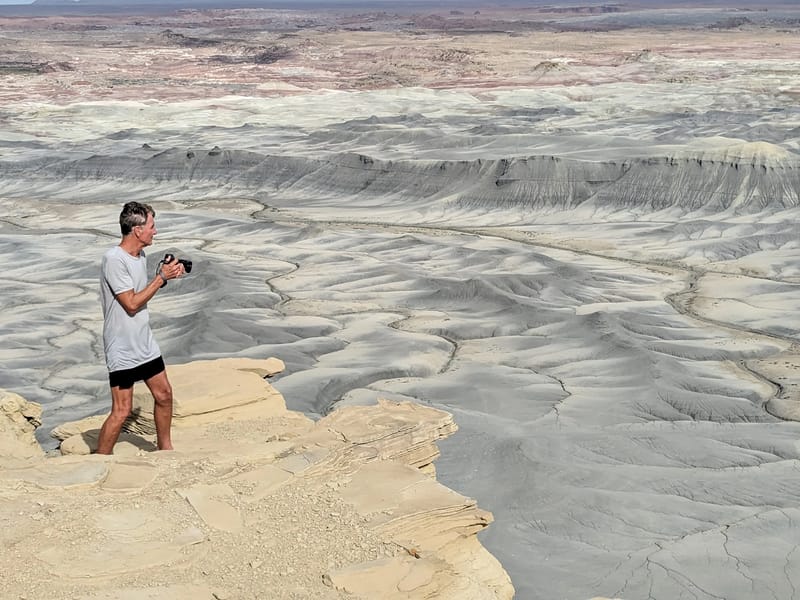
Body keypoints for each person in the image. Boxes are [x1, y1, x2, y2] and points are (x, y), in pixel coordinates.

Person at [95, 201, 185, 454]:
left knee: (164, 395)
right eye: (151, 226)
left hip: (144, 342)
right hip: (122, 346)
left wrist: (166, 277)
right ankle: (100, 459)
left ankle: (165, 450)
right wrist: (161, 278)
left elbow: (139, 294)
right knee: (122, 410)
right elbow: (131, 304)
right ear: (137, 230)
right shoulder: (114, 260)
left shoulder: (140, 256)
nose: (155, 231)